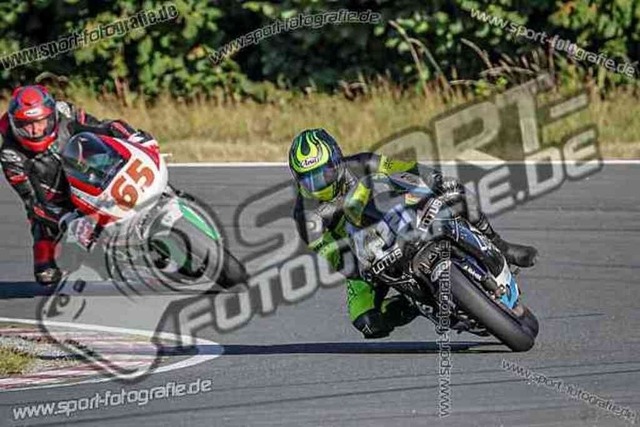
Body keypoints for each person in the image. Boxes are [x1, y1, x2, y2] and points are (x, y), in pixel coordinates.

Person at [290, 128, 538, 339]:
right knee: (368, 323)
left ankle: (499, 245)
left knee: (455, 191)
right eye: (309, 179)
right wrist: (357, 268)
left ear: (337, 160)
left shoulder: (363, 163)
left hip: (402, 213)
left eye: (324, 172)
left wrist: (437, 181)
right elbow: (334, 256)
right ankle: (415, 303)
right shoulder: (306, 216)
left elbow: (409, 168)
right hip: (364, 253)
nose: (319, 182)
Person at [0, 85, 154, 285]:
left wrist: (132, 136)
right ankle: (104, 261)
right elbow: (33, 203)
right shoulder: (11, 155)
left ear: (52, 116)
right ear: (14, 124)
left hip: (91, 179)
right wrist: (65, 219)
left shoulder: (65, 112)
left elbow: (106, 127)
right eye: (26, 125)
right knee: (47, 275)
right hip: (56, 209)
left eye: (40, 122)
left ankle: (162, 196)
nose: (35, 130)